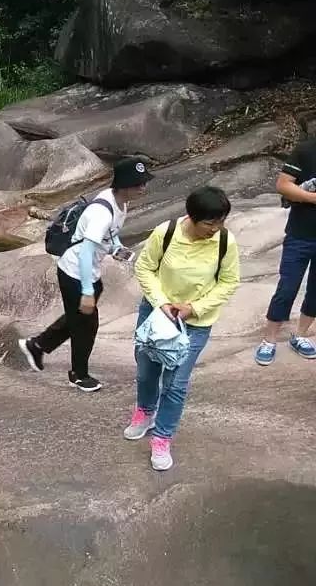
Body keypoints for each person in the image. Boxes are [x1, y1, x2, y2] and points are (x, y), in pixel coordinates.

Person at [128, 186, 241, 471]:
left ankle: (162, 436)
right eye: (210, 223)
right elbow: (144, 268)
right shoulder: (165, 233)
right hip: (157, 315)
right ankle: (145, 411)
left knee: (176, 383)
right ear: (192, 217)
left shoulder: (225, 242)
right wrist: (162, 303)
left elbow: (229, 282)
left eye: (221, 222)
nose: (216, 229)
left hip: (195, 322)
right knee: (146, 371)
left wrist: (195, 307)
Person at [18, 156, 153, 391]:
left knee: (77, 317)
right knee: (86, 324)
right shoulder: (103, 212)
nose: (143, 187)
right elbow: (86, 251)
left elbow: (110, 234)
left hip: (89, 270)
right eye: (138, 183)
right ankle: (78, 375)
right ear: (124, 184)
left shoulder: (119, 202)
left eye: (143, 182)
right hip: (75, 272)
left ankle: (37, 345)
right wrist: (87, 291)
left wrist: (116, 248)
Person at [254, 123, 316, 365]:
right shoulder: (306, 150)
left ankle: (300, 336)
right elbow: (283, 185)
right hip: (300, 234)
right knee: (287, 287)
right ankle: (269, 340)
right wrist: (312, 198)